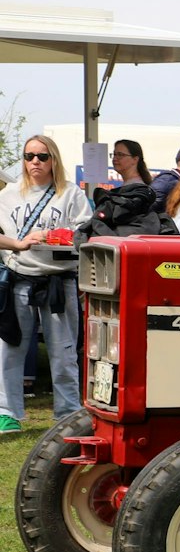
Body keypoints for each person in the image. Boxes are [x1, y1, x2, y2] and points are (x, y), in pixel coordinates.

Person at [1, 136, 98, 432]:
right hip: (18, 279)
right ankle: (7, 412)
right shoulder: (8, 195)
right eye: (29, 156)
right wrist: (18, 244)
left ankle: (67, 412)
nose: (35, 162)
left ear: (53, 159)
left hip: (59, 281)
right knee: (10, 349)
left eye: (42, 156)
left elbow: (86, 234)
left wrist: (55, 236)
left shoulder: (70, 194)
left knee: (64, 351)